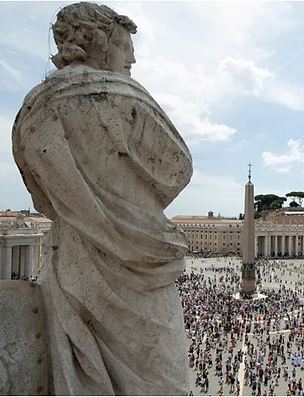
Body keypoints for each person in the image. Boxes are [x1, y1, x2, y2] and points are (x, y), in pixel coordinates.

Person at [12, 2, 192, 395]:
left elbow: (42, 197)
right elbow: (177, 169)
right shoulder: (124, 95)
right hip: (141, 273)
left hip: (73, 267)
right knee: (163, 381)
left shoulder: (31, 112)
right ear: (98, 41)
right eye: (125, 45)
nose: (132, 57)